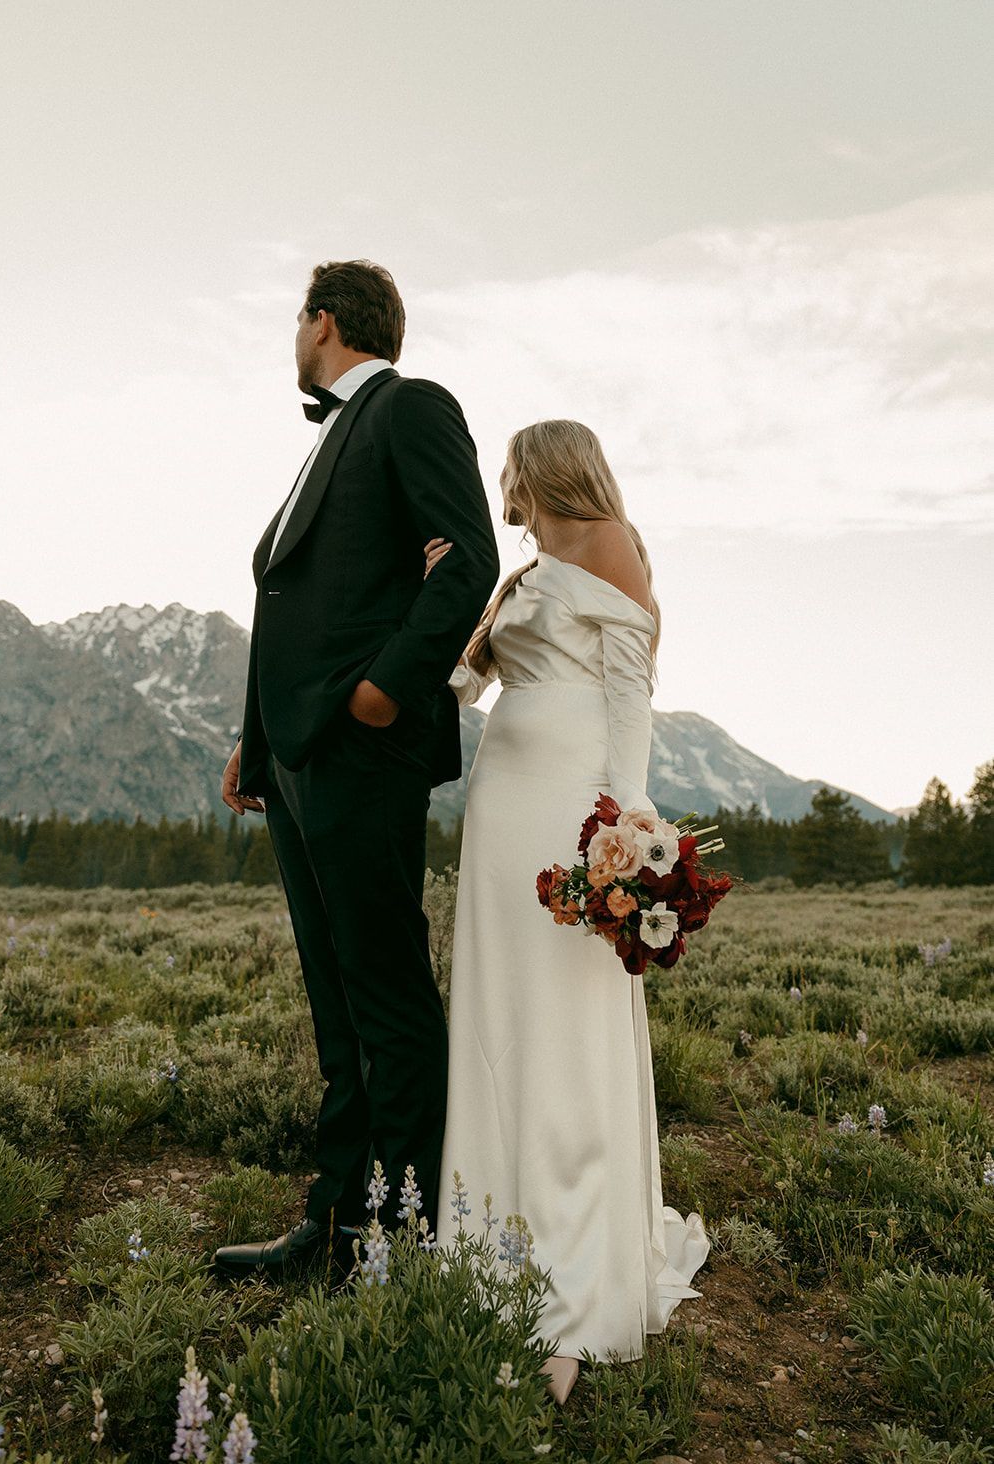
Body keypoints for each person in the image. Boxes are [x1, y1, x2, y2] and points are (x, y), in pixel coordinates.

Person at [214, 259, 499, 1287]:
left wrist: (384, 692)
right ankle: (331, 1225)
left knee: (385, 996)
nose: (294, 332)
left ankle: (398, 1237)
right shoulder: (326, 438)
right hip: (294, 760)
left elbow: (467, 559)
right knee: (335, 1001)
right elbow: (290, 600)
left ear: (323, 321)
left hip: (360, 747)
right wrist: (254, 735)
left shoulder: (410, 408)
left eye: (297, 316)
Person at [429, 419, 709, 1404]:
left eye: (510, 466)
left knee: (563, 1020)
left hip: (569, 805)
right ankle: (489, 1243)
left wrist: (626, 818)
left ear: (541, 468)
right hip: (499, 805)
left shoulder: (610, 545)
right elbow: (463, 688)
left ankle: (574, 1285)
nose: (499, 481)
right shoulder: (519, 578)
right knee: (502, 1013)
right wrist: (466, 603)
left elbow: (630, 691)